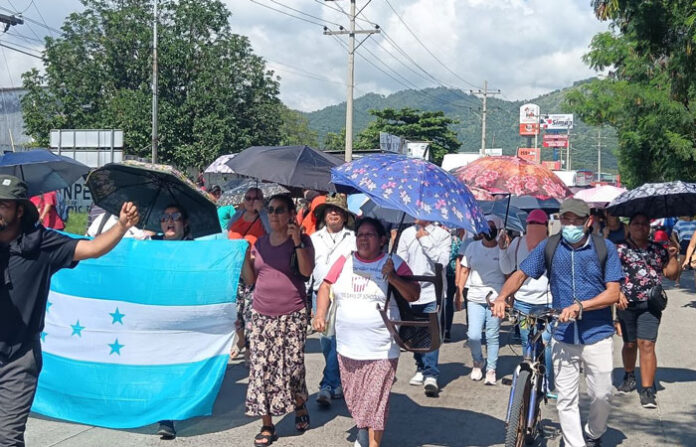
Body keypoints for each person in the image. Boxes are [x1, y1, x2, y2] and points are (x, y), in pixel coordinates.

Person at [0, 175, 140, 447]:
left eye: (3, 205)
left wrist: (122, 226)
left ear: (19, 210)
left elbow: (92, 248)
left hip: (19, 357)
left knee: (7, 437)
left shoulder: (41, 243)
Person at [492, 198, 623, 447]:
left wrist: (581, 306)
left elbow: (613, 293)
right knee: (566, 398)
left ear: (588, 221)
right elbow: (521, 274)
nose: (571, 224)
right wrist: (502, 296)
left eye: (576, 220)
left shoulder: (604, 248)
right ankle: (575, 443)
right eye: (566, 219)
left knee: (602, 394)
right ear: (560, 220)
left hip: (598, 333)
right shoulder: (550, 246)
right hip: (563, 334)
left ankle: (594, 432)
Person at [312, 218, 419, 447]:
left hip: (382, 348)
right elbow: (326, 285)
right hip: (347, 348)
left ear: (382, 240)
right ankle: (364, 431)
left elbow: (414, 294)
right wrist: (320, 314)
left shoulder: (394, 262)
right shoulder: (345, 260)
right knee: (356, 398)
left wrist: (393, 277)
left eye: (369, 234)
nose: (363, 238)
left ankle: (372, 443)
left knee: (376, 400)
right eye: (360, 234)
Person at [241, 194, 314, 447]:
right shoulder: (260, 243)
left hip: (292, 315)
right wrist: (244, 259)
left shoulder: (303, 240)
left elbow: (306, 272)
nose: (273, 214)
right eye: (270, 210)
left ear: (291, 213)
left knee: (292, 368)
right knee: (261, 370)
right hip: (262, 315)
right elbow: (250, 280)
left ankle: (299, 403)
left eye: (279, 210)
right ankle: (267, 424)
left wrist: (297, 242)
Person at [615, 213, 680, 408]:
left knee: (647, 344)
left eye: (644, 223)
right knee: (629, 344)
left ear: (649, 227)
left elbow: (671, 274)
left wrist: (673, 255)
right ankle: (629, 375)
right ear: (629, 227)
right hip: (626, 304)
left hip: (650, 305)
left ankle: (647, 389)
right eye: (636, 223)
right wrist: (617, 294)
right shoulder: (619, 249)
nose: (640, 227)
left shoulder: (658, 250)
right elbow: (609, 276)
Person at [498, 210, 555, 395]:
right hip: (523, 304)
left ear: (546, 227)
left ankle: (546, 382)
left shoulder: (553, 246)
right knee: (527, 340)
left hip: (547, 305)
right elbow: (507, 268)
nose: (534, 228)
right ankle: (528, 377)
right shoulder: (517, 243)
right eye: (531, 224)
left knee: (546, 343)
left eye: (538, 225)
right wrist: (502, 249)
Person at [150, 204, 193, 440]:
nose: (169, 221)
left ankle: (170, 413)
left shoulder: (195, 249)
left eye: (175, 216)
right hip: (156, 316)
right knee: (159, 365)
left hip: (183, 317)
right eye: (164, 217)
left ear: (184, 223)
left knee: (177, 366)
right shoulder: (149, 246)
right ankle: (165, 415)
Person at [310, 193, 356, 407]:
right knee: (326, 341)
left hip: (342, 294)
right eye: (330, 210)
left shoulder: (353, 239)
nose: (334, 214)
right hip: (318, 292)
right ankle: (337, 381)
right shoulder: (314, 238)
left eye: (338, 211)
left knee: (337, 339)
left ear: (345, 217)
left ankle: (327, 384)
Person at [397, 219, 450, 396]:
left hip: (432, 293)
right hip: (411, 292)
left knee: (431, 333)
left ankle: (431, 373)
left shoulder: (442, 235)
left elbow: (442, 262)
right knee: (414, 332)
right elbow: (401, 261)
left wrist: (425, 240)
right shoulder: (406, 233)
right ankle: (420, 366)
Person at [456, 215, 505, 385]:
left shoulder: (502, 249)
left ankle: (491, 368)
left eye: (492, 227)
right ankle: (478, 361)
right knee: (473, 335)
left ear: (498, 229)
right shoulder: (472, 247)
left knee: (492, 335)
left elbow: (508, 273)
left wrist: (508, 297)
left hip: (496, 298)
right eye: (486, 226)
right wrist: (459, 292)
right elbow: (464, 270)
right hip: (475, 297)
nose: (489, 230)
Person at [442, 228, 465, 342]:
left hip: (450, 274)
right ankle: (440, 328)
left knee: (448, 302)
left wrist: (458, 280)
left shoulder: (456, 241)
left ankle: (446, 330)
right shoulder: (435, 240)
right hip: (438, 274)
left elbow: (459, 259)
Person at [671, 216, 696, 286]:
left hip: (694, 242)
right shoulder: (680, 222)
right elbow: (673, 233)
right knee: (682, 262)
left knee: (694, 263)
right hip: (684, 242)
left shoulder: (694, 222)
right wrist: (677, 243)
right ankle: (677, 279)